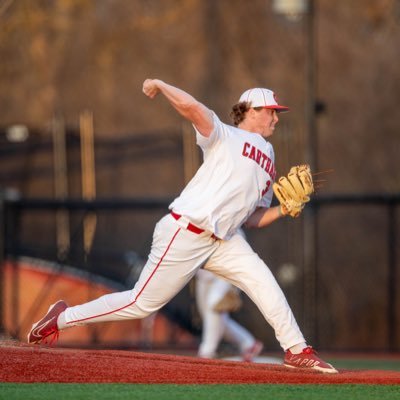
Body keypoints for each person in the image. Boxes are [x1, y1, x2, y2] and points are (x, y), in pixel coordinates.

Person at [28, 80, 338, 373]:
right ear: (252, 110)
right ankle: (62, 318)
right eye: (271, 111)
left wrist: (283, 209)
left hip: (226, 239)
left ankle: (297, 350)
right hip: (185, 231)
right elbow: (192, 108)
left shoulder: (269, 155)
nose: (276, 118)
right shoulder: (225, 135)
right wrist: (161, 86)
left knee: (263, 281)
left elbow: (253, 218)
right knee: (141, 303)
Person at [195, 268, 263, 362]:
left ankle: (207, 352)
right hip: (202, 274)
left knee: (214, 306)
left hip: (224, 269)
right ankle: (249, 344)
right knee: (211, 319)